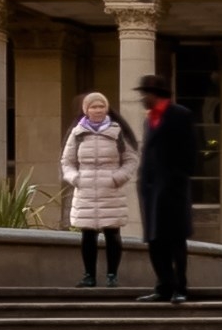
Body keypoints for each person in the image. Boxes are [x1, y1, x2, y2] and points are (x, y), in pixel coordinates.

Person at [134, 69, 207, 303]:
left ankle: (180, 287)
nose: (142, 98)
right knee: (155, 240)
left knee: (175, 239)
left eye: (145, 93)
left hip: (173, 189)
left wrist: (178, 179)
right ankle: (163, 285)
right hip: (151, 190)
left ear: (156, 94)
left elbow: (191, 151)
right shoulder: (149, 119)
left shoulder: (180, 115)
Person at [58, 89, 134, 289]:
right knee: (88, 235)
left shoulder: (117, 132)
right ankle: (89, 276)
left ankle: (112, 275)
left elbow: (130, 160)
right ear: (86, 110)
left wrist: (117, 178)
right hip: (86, 190)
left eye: (101, 106)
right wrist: (75, 178)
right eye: (93, 106)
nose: (98, 109)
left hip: (111, 190)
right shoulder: (77, 133)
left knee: (112, 234)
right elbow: (67, 161)